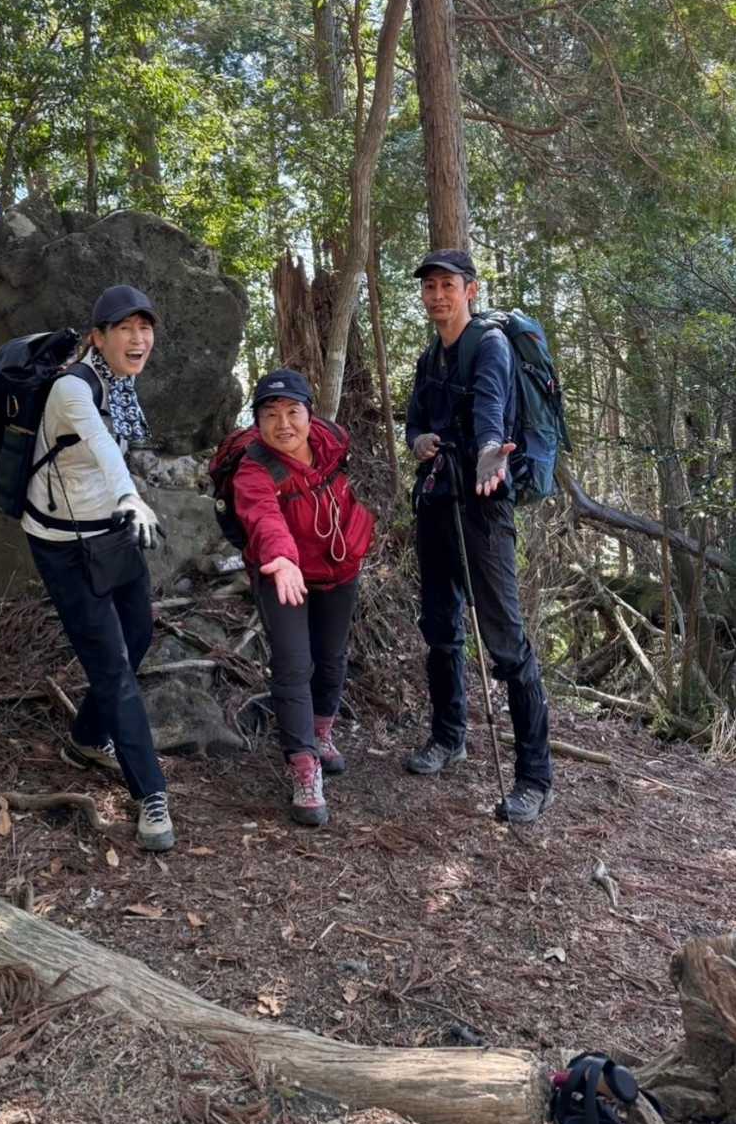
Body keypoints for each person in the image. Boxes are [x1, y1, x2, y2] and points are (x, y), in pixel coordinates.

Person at [404, 249, 554, 823]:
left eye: (448, 285)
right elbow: (415, 422)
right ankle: (449, 737)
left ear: (470, 290)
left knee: (506, 640)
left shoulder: (489, 345)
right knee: (440, 625)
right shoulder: (430, 358)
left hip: (485, 508)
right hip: (437, 501)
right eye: (430, 287)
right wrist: (419, 441)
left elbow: (492, 407)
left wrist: (491, 453)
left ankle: (534, 778)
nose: (437, 295)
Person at [22, 284, 173, 851]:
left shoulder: (120, 384)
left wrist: (125, 503)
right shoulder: (72, 389)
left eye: (145, 328)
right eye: (125, 328)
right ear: (98, 337)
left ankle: (87, 735)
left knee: (138, 634)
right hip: (64, 543)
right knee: (113, 668)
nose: (138, 339)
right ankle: (150, 793)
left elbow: (116, 449)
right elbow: (102, 447)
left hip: (110, 525)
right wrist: (131, 495)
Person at [233, 369, 375, 826]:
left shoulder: (333, 442)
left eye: (293, 412)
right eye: (270, 415)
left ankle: (321, 732)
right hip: (282, 574)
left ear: (310, 415)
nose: (284, 425)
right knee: (294, 664)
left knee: (331, 656)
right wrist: (281, 558)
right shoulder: (254, 469)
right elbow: (263, 516)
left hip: (338, 568)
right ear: (257, 422)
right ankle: (303, 765)